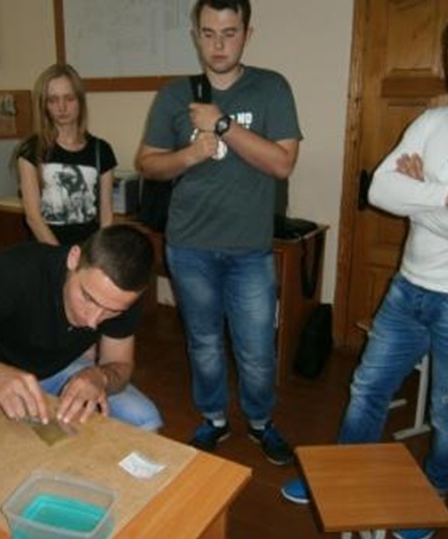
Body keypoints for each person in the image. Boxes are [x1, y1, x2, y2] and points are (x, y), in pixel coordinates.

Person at [282, 3, 448, 538]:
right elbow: (379, 191)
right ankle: (341, 478)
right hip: (409, 288)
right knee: (367, 387)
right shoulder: (433, 121)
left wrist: (417, 196)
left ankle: (430, 494)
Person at [135, 0, 302, 465]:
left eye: (229, 33)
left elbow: (282, 163)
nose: (219, 45)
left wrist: (222, 125)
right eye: (208, 33)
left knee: (257, 351)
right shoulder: (175, 94)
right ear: (196, 35)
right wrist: (190, 155)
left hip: (250, 250)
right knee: (204, 344)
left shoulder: (271, 87)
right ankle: (214, 419)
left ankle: (260, 422)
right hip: (189, 246)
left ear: (248, 34)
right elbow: (147, 163)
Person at [0, 224, 163, 432]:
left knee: (145, 418)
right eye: (88, 298)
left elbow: (120, 364)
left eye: (112, 311)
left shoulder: (122, 297)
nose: (93, 321)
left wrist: (100, 377)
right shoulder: (15, 271)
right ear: (74, 259)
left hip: (54, 372)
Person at [16, 63, 116, 246]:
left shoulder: (101, 150)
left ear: (80, 101)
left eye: (69, 98)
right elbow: (33, 218)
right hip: (48, 252)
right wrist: (62, 256)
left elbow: (106, 214)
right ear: (44, 105)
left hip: (88, 252)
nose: (61, 107)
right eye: (53, 100)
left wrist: (99, 253)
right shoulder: (31, 150)